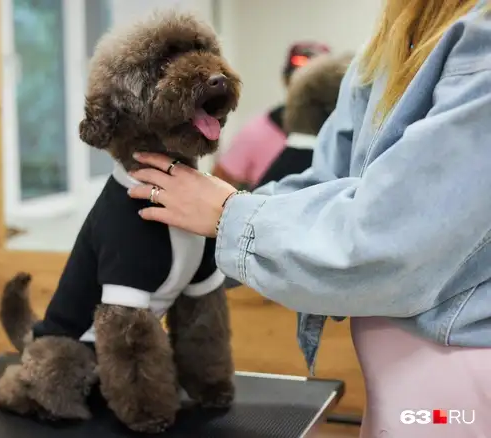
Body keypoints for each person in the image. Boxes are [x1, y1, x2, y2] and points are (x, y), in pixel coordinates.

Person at [126, 0, 491, 436]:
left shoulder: (482, 45)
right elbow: (325, 183)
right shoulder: (389, 45)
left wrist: (229, 215)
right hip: (397, 385)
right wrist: (194, 232)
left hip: (459, 389)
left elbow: (392, 240)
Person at [211, 42, 330, 189]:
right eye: (300, 80)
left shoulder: (343, 137)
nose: (308, 90)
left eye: (318, 83)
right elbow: (216, 186)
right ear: (285, 80)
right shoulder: (256, 132)